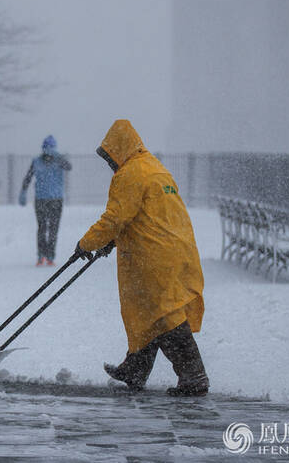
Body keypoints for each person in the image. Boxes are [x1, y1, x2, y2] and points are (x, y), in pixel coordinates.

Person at [70, 119, 209, 396]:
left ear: (119, 149)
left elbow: (116, 217)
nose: (110, 163)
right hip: (177, 249)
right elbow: (143, 214)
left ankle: (194, 376)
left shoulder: (131, 173)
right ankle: (135, 367)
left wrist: (87, 243)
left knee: (165, 315)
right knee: (150, 311)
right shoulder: (155, 168)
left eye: (110, 156)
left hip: (155, 255)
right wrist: (113, 240)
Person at [19, 135, 72, 266]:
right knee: (43, 227)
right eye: (47, 148)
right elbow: (28, 177)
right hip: (42, 199)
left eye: (51, 148)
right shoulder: (36, 161)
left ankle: (50, 256)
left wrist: (58, 157)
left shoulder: (59, 161)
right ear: (43, 149)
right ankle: (41, 255)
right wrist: (23, 192)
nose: (48, 151)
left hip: (55, 199)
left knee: (52, 228)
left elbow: (69, 167)